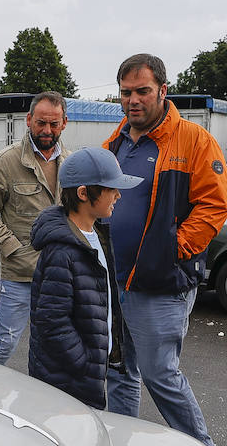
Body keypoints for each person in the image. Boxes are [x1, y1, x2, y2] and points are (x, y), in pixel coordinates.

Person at [101, 54, 227, 446]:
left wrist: (172, 249)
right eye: (125, 93)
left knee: (160, 372)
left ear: (162, 90)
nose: (133, 101)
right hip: (115, 279)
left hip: (160, 281)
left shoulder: (193, 140)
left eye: (142, 91)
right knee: (120, 368)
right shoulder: (115, 142)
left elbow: (215, 205)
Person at [28, 147, 142, 408]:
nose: (118, 195)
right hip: (68, 381)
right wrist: (86, 361)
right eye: (110, 189)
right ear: (83, 193)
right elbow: (52, 321)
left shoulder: (98, 235)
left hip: (86, 374)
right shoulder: (61, 251)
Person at [0, 91, 69, 363]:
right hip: (19, 275)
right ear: (28, 120)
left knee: (54, 346)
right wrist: (12, 248)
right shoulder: (7, 162)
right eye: (41, 122)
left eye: (53, 123)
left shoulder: (71, 164)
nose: (47, 130)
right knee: (5, 343)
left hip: (58, 274)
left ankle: (42, 402)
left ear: (64, 123)